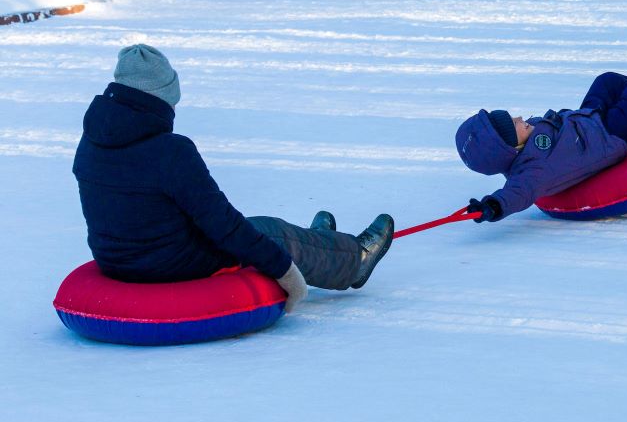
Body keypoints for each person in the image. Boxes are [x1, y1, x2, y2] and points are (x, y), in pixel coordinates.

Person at [72, 45, 395, 312]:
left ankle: (320, 246)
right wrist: (283, 269)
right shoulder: (171, 151)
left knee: (263, 235)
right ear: (160, 98)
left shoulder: (91, 142)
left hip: (117, 260)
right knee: (271, 233)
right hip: (168, 265)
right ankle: (354, 260)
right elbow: (222, 224)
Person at [455, 71, 627, 222]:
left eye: (513, 117)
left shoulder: (527, 139)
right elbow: (517, 194)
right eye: (514, 125)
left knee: (606, 81)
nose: (520, 118)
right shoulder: (533, 171)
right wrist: (493, 206)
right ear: (512, 149)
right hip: (612, 136)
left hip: (590, 118)